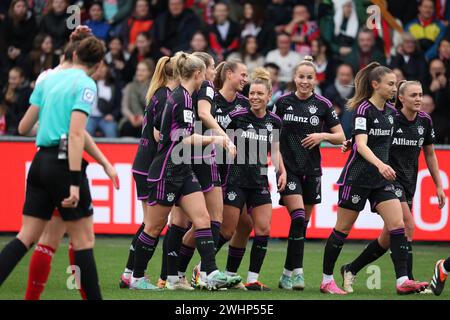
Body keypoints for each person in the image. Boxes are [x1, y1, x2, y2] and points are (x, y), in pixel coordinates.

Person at [0, 36, 106, 300]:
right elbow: (75, 134)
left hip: (39, 162)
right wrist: (73, 181)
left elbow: (23, 127)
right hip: (63, 165)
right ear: (99, 62)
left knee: (25, 238)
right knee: (83, 242)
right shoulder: (86, 84)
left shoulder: (48, 79)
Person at [129, 52, 241, 291]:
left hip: (184, 169)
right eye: (206, 73)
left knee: (202, 219)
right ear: (198, 74)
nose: (208, 80)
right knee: (153, 227)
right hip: (167, 170)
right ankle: (136, 277)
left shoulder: (186, 98)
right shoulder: (180, 98)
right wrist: (217, 140)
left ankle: (209, 273)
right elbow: (183, 138)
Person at [321, 62, 427, 295]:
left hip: (381, 181)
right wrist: (379, 163)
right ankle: (327, 280)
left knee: (397, 225)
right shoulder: (363, 109)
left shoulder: (392, 112)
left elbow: (375, 141)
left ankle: (402, 281)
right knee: (342, 230)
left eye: (395, 84)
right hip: (358, 177)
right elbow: (362, 144)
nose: (394, 87)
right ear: (375, 85)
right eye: (390, 84)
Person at [340, 80, 445, 293]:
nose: (419, 99)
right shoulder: (391, 118)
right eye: (413, 95)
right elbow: (367, 137)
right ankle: (408, 281)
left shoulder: (424, 121)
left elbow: (430, 154)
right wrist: (351, 142)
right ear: (401, 98)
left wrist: (439, 186)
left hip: (409, 183)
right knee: (407, 225)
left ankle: (350, 269)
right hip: (387, 179)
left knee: (388, 237)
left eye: (420, 94)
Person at [273, 56, 345, 291]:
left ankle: (285, 273)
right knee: (298, 218)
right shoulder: (282, 103)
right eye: (301, 77)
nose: (304, 81)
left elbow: (341, 137)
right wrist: (279, 167)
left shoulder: (323, 105)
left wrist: (322, 136)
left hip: (312, 171)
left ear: (315, 80)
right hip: (288, 169)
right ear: (294, 78)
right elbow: (272, 136)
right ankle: (298, 273)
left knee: (301, 226)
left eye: (309, 77)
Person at [219, 67, 286, 290]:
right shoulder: (237, 117)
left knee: (263, 229)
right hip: (235, 180)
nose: (254, 97)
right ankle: (207, 268)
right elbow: (219, 140)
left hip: (258, 182)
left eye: (259, 94)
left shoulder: (274, 121)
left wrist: (281, 171)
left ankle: (251, 278)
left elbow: (274, 151)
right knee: (227, 231)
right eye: (252, 93)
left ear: (269, 96)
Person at [119, 55, 179, 289]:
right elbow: (159, 136)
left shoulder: (160, 93)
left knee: (150, 223)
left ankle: (129, 273)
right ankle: (135, 276)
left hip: (143, 164)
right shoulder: (166, 97)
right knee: (152, 224)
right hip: (149, 167)